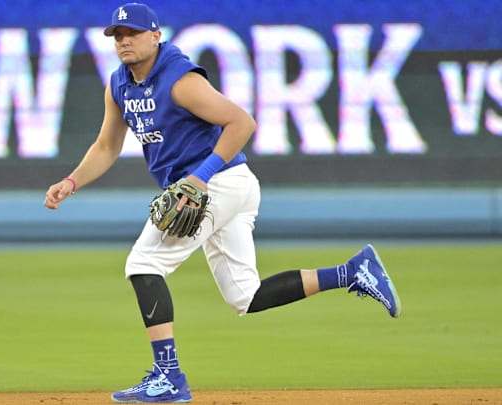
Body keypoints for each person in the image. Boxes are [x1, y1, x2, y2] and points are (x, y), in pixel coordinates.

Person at [44, 3, 402, 403]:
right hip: (221, 185)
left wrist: (200, 177)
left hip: (219, 181)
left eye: (133, 33)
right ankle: (353, 272)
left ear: (156, 35)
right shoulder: (119, 85)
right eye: (118, 35)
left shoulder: (178, 79)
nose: (124, 40)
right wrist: (72, 181)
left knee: (143, 264)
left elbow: (242, 122)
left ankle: (169, 377)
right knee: (244, 296)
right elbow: (107, 146)